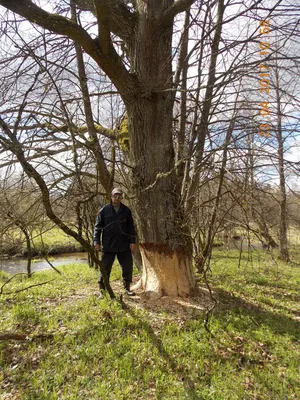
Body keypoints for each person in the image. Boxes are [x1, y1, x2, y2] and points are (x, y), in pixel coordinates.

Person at [93, 188, 136, 296]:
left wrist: (132, 241)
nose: (117, 198)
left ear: (121, 197)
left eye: (119, 196)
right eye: (115, 196)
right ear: (111, 196)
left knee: (127, 266)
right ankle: (102, 291)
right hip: (108, 244)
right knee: (105, 268)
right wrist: (96, 241)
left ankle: (127, 288)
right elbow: (97, 227)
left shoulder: (126, 210)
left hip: (124, 244)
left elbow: (131, 227)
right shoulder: (103, 210)